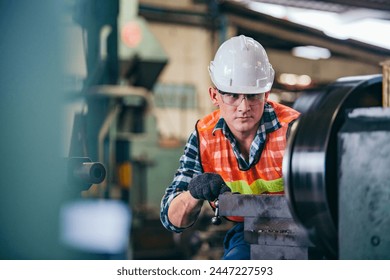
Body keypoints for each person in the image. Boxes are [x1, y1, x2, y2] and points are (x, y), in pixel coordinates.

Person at [160, 35, 300, 260]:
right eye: (233, 96)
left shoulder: (294, 130)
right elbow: (172, 219)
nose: (243, 107)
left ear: (266, 94)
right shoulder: (203, 136)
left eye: (253, 96)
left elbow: (323, 207)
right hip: (248, 234)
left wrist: (238, 205)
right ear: (214, 95)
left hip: (300, 232)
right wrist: (194, 194)